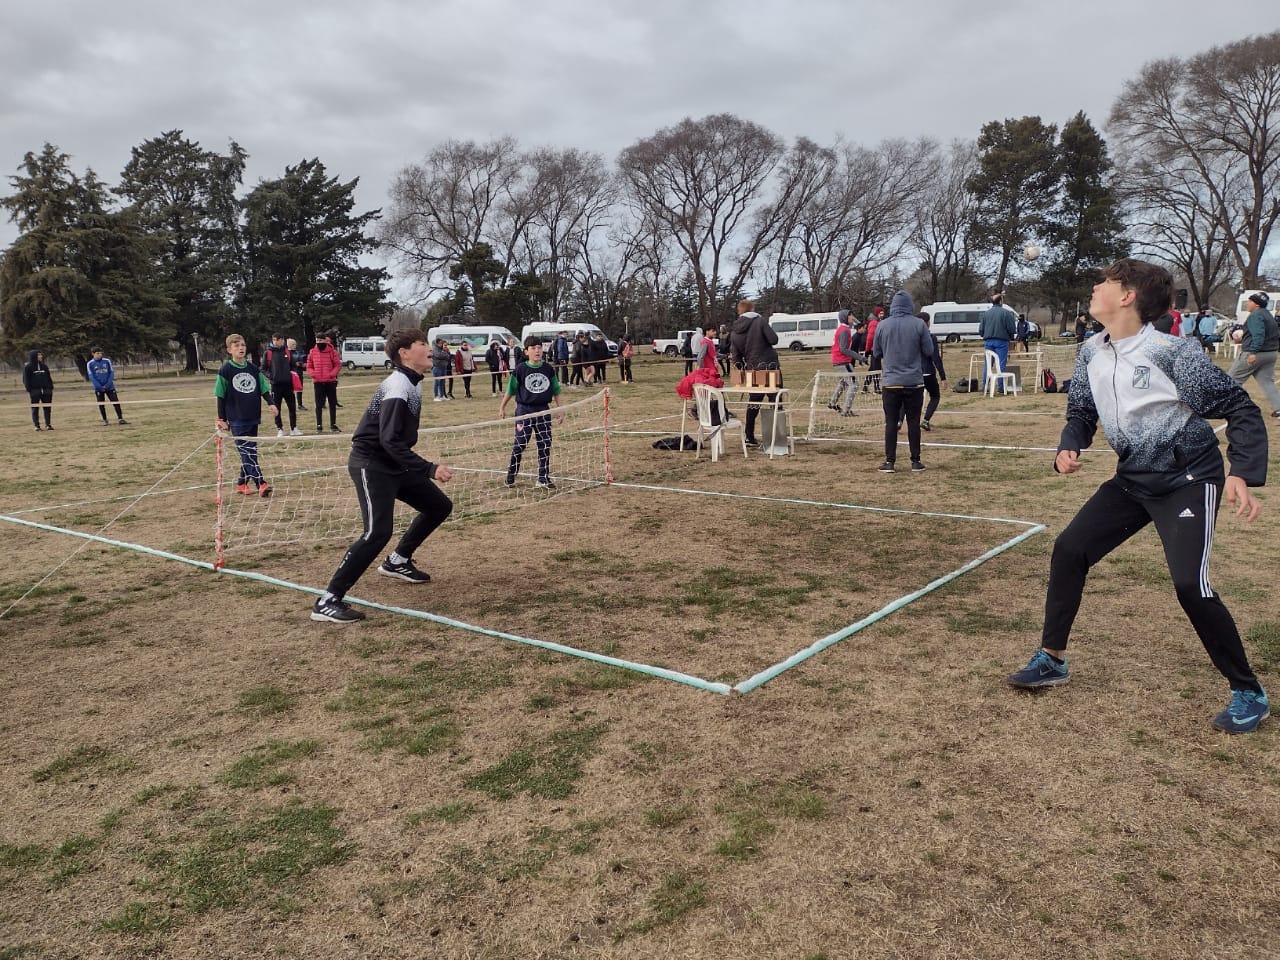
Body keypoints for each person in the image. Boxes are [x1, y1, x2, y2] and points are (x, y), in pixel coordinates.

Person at [1006, 258, 1270, 735]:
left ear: (1127, 296)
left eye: (1105, 282)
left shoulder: (1173, 352)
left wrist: (1244, 473)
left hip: (1188, 479)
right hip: (1132, 479)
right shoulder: (1091, 351)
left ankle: (1248, 692)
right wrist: (1069, 445)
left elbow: (1240, 408)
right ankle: (1052, 659)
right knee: (1069, 550)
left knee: (1190, 585)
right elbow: (1081, 411)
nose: (1095, 287)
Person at [312, 329, 455, 623]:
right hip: (372, 464)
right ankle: (328, 600)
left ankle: (397, 561)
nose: (429, 347)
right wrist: (429, 468)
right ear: (404, 353)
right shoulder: (398, 386)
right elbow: (389, 440)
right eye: (421, 343)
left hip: (394, 462)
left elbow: (396, 442)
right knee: (377, 533)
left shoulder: (412, 381)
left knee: (438, 506)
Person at [871, 291, 933, 473]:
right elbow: (929, 350)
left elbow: (876, 352)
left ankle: (889, 461)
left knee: (891, 423)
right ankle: (916, 461)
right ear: (910, 305)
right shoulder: (919, 324)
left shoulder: (883, 325)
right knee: (914, 422)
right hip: (914, 381)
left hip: (891, 382)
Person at [214, 334, 278, 498]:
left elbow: (263, 388)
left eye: (242, 345)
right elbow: (220, 396)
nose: (240, 348)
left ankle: (242, 483)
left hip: (253, 416)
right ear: (229, 350)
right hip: (236, 418)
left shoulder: (253, 369)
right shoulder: (225, 370)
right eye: (236, 346)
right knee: (248, 453)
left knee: (250, 452)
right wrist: (222, 419)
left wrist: (271, 403)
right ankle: (261, 484)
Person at [499, 337, 564, 489]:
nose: (537, 351)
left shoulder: (548, 369)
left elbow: (556, 390)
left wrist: (560, 410)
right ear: (526, 351)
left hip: (543, 410)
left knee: (545, 443)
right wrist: (502, 407)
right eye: (533, 348)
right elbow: (511, 390)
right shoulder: (520, 369)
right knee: (520, 443)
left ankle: (543, 478)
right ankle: (511, 475)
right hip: (524, 410)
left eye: (539, 348)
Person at [729, 298, 782, 448]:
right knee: (775, 399)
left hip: (752, 369)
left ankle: (749, 436)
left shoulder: (735, 330)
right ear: (752, 309)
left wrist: (741, 371)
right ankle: (776, 438)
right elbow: (773, 339)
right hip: (769, 366)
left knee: (754, 402)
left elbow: (736, 356)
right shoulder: (759, 321)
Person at [1227, 292, 1280, 419]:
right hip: (1271, 353)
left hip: (1256, 353)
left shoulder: (1255, 315)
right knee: (1267, 382)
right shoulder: (1268, 315)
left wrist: (1253, 352)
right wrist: (1244, 339)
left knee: (1232, 379)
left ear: (1256, 304)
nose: (1248, 303)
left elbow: (1259, 335)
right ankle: (1279, 408)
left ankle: (1230, 407)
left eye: (1250, 301)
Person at [979, 292, 1016, 392]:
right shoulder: (1006, 313)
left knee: (988, 365)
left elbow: (981, 330)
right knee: (1001, 364)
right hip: (1002, 342)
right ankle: (1001, 387)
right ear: (1000, 301)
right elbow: (1012, 329)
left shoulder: (986, 314)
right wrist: (1010, 337)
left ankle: (985, 386)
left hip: (988, 342)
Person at [263, 334, 300, 436]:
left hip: (288, 385)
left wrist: (292, 374)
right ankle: (280, 428)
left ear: (282, 340)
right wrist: (271, 376)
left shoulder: (287, 352)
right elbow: (263, 368)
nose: (275, 342)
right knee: (277, 408)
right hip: (276, 386)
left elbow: (293, 365)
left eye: (277, 340)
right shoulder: (268, 353)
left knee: (292, 407)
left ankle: (293, 428)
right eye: (274, 340)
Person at [306, 333, 342, 432]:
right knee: (318, 405)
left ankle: (333, 424)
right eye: (317, 341)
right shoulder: (312, 352)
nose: (319, 342)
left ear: (325, 341)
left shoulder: (332, 352)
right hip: (318, 382)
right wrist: (314, 374)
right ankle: (319, 425)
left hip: (330, 382)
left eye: (320, 340)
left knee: (332, 403)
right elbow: (309, 366)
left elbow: (337, 365)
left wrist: (332, 374)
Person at [827, 309, 860, 416]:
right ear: (845, 318)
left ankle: (832, 402)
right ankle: (846, 410)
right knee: (854, 384)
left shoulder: (842, 328)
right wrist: (859, 357)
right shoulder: (845, 330)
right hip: (843, 361)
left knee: (843, 383)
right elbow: (843, 349)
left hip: (837, 360)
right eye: (850, 316)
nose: (852, 317)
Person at [87, 347, 129, 426]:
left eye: (100, 353)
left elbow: (111, 373)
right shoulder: (90, 363)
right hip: (99, 388)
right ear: (93, 354)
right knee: (101, 404)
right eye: (97, 353)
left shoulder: (107, 361)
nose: (99, 355)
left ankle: (120, 418)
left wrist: (107, 385)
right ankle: (105, 420)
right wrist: (99, 386)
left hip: (110, 387)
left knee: (116, 402)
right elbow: (91, 376)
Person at [919, 313, 947, 431]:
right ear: (928, 323)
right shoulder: (930, 337)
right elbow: (935, 358)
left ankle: (899, 420)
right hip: (928, 373)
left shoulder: (911, 337)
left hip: (914, 373)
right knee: (935, 396)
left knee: (909, 397)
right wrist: (943, 376)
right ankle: (926, 420)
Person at [23, 349, 54, 431]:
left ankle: (48, 424)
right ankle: (37, 425)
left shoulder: (44, 366)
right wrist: (30, 390)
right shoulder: (28, 367)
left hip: (46, 391)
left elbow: (49, 378)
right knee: (35, 408)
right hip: (35, 391)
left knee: (47, 408)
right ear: (34, 356)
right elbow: (26, 380)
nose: (41, 356)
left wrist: (50, 388)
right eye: (39, 355)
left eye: (41, 355)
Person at [287, 338, 306, 410]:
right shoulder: (286, 353)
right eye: (293, 344)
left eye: (295, 344)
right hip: (291, 373)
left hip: (299, 373)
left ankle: (300, 404)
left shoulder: (298, 353)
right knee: (290, 390)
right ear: (289, 345)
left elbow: (302, 362)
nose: (295, 346)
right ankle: (291, 405)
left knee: (299, 389)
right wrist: (294, 364)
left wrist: (301, 364)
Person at [430, 337, 451, 402]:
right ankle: (436, 396)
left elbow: (448, 356)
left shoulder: (443, 349)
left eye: (441, 343)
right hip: (437, 367)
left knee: (442, 382)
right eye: (439, 343)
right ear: (436, 343)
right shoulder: (435, 349)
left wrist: (444, 355)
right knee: (437, 382)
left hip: (443, 367)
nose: (441, 344)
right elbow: (438, 355)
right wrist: (444, 356)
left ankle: (442, 396)